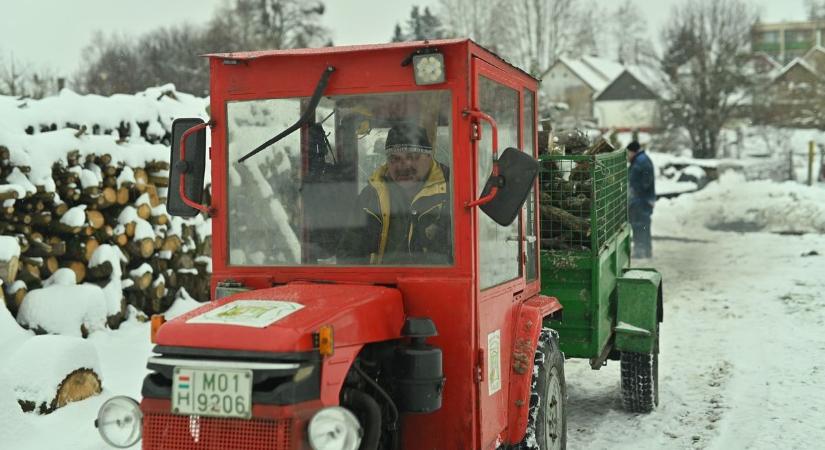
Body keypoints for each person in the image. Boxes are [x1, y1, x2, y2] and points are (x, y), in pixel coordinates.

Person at [338, 124, 451, 265]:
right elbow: (348, 255)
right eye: (395, 159)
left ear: (429, 157)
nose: (404, 166)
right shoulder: (371, 196)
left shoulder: (452, 191)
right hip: (383, 284)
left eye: (412, 157)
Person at [627, 140, 655, 258]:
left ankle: (641, 251)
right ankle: (646, 250)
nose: (628, 156)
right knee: (643, 225)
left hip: (641, 200)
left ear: (633, 151)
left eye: (628, 153)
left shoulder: (641, 161)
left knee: (639, 225)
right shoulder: (640, 160)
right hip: (642, 199)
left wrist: (636, 192)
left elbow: (645, 182)